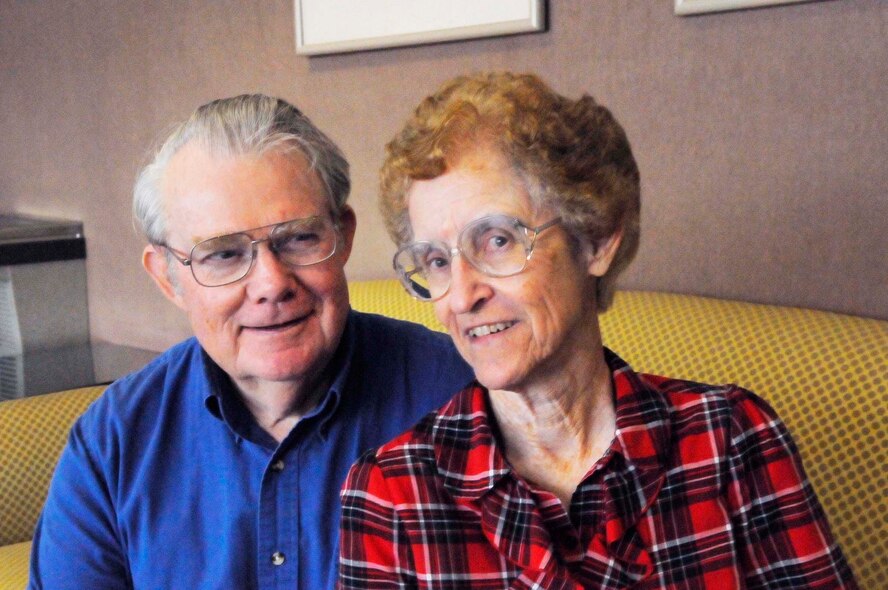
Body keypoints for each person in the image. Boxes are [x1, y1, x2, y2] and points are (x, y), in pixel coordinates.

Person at [338, 72, 858, 588]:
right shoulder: (393, 493)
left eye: (496, 240)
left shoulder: (729, 439)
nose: (461, 294)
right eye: (435, 260)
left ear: (597, 238)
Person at [28, 94, 473, 590]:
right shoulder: (113, 444)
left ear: (342, 236)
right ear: (168, 278)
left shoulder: (468, 400)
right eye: (222, 254)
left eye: (298, 239)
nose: (270, 283)